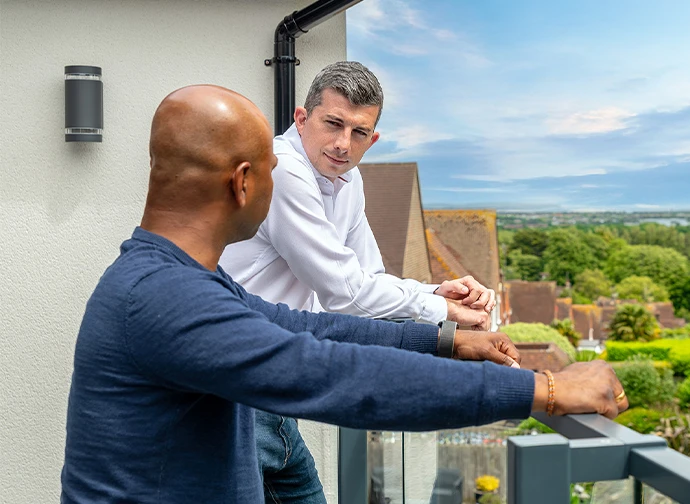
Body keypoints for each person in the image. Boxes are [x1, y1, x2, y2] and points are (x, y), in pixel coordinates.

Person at [60, 84, 629, 503]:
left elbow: (304, 326)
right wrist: (544, 388)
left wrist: (442, 341)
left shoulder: (173, 277)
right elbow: (332, 373)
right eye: (270, 168)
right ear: (244, 182)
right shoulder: (167, 299)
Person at [218, 61, 500, 502]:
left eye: (359, 132)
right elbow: (343, 291)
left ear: (374, 139)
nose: (342, 144)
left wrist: (435, 292)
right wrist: (445, 313)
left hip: (272, 387)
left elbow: (367, 279)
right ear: (301, 118)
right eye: (333, 123)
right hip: (235, 389)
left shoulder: (348, 181)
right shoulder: (282, 170)